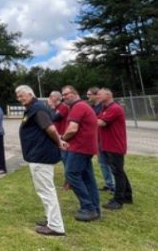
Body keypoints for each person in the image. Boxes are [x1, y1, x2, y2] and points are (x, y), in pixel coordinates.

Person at [16, 85, 67, 237]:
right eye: (17, 96)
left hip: (40, 156)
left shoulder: (37, 108)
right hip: (37, 155)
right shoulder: (34, 108)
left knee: (46, 191)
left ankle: (56, 227)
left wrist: (59, 142)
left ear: (30, 94)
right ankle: (51, 220)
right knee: (44, 190)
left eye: (21, 95)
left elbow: (50, 128)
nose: (19, 99)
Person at [61, 85, 101, 221]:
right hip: (87, 148)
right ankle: (95, 208)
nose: (64, 97)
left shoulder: (78, 107)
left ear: (74, 93)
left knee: (71, 174)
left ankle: (88, 207)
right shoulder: (82, 106)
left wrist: (62, 139)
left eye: (66, 94)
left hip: (80, 147)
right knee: (88, 178)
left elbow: (72, 129)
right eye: (63, 95)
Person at [97, 88, 133, 209]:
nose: (97, 96)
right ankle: (127, 195)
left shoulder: (114, 108)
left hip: (115, 145)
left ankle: (118, 200)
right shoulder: (105, 108)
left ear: (108, 95)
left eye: (99, 94)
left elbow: (101, 123)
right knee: (118, 171)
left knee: (117, 172)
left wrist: (86, 119)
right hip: (107, 145)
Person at [87, 87, 115, 193]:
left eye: (90, 95)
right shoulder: (93, 107)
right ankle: (109, 184)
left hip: (107, 140)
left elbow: (100, 122)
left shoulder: (104, 107)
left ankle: (115, 186)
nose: (88, 97)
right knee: (102, 163)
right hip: (98, 138)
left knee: (112, 164)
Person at [47, 91, 70, 189]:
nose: (49, 98)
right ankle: (69, 181)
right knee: (63, 158)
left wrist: (51, 107)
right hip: (58, 136)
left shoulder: (63, 107)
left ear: (56, 98)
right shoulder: (56, 108)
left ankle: (69, 182)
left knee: (66, 159)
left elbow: (53, 118)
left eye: (51, 96)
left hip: (64, 137)